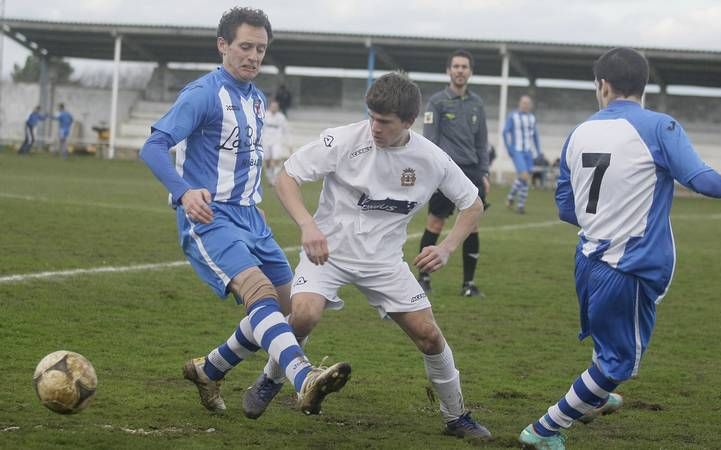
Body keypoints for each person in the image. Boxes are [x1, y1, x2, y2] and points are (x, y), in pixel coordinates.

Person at [518, 47, 721, 450]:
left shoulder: (578, 133)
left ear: (603, 85)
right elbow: (699, 178)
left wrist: (605, 217)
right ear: (643, 85)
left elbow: (566, 207)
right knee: (619, 361)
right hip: (627, 267)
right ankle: (544, 429)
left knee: (608, 343)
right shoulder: (659, 127)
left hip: (587, 259)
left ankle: (594, 396)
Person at [139, 7, 349, 419]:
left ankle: (208, 369)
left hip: (252, 219)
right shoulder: (203, 93)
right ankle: (302, 377)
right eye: (245, 47)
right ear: (223, 46)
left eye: (261, 49)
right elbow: (153, 146)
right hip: (210, 218)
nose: (253, 56)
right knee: (261, 297)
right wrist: (183, 194)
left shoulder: (255, 99)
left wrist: (256, 207)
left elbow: (243, 161)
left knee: (297, 310)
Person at [271, 72, 492, 440]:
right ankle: (270, 379)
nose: (374, 127)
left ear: (408, 122)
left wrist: (447, 247)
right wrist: (308, 225)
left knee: (429, 336)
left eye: (384, 122)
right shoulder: (343, 139)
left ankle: (456, 416)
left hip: (384, 263)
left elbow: (473, 204)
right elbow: (285, 178)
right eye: (371, 116)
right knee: (303, 316)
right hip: (329, 251)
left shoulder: (430, 158)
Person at [417, 49, 489, 298]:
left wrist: (484, 173)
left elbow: (482, 142)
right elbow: (430, 140)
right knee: (435, 223)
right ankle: (424, 278)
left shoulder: (477, 104)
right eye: (456, 66)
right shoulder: (436, 102)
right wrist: (432, 174)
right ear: (449, 71)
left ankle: (468, 284)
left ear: (470, 71)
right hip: (445, 171)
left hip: (471, 172)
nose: (460, 70)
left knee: (472, 225)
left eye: (464, 66)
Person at [503, 94, 543, 214]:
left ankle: (513, 200)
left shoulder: (532, 118)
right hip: (517, 151)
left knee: (525, 178)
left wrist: (538, 151)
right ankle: (519, 206)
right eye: (524, 103)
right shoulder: (512, 116)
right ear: (519, 104)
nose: (526, 105)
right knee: (525, 176)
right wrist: (510, 149)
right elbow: (505, 133)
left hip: (528, 152)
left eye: (528, 103)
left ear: (530, 105)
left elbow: (535, 135)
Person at [263, 96, 290, 185]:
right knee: (267, 161)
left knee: (276, 159)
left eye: (276, 106)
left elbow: (286, 130)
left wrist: (288, 143)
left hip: (277, 141)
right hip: (266, 141)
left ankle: (275, 179)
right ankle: (270, 178)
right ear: (270, 107)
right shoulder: (264, 115)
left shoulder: (281, 117)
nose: (274, 108)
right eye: (273, 106)